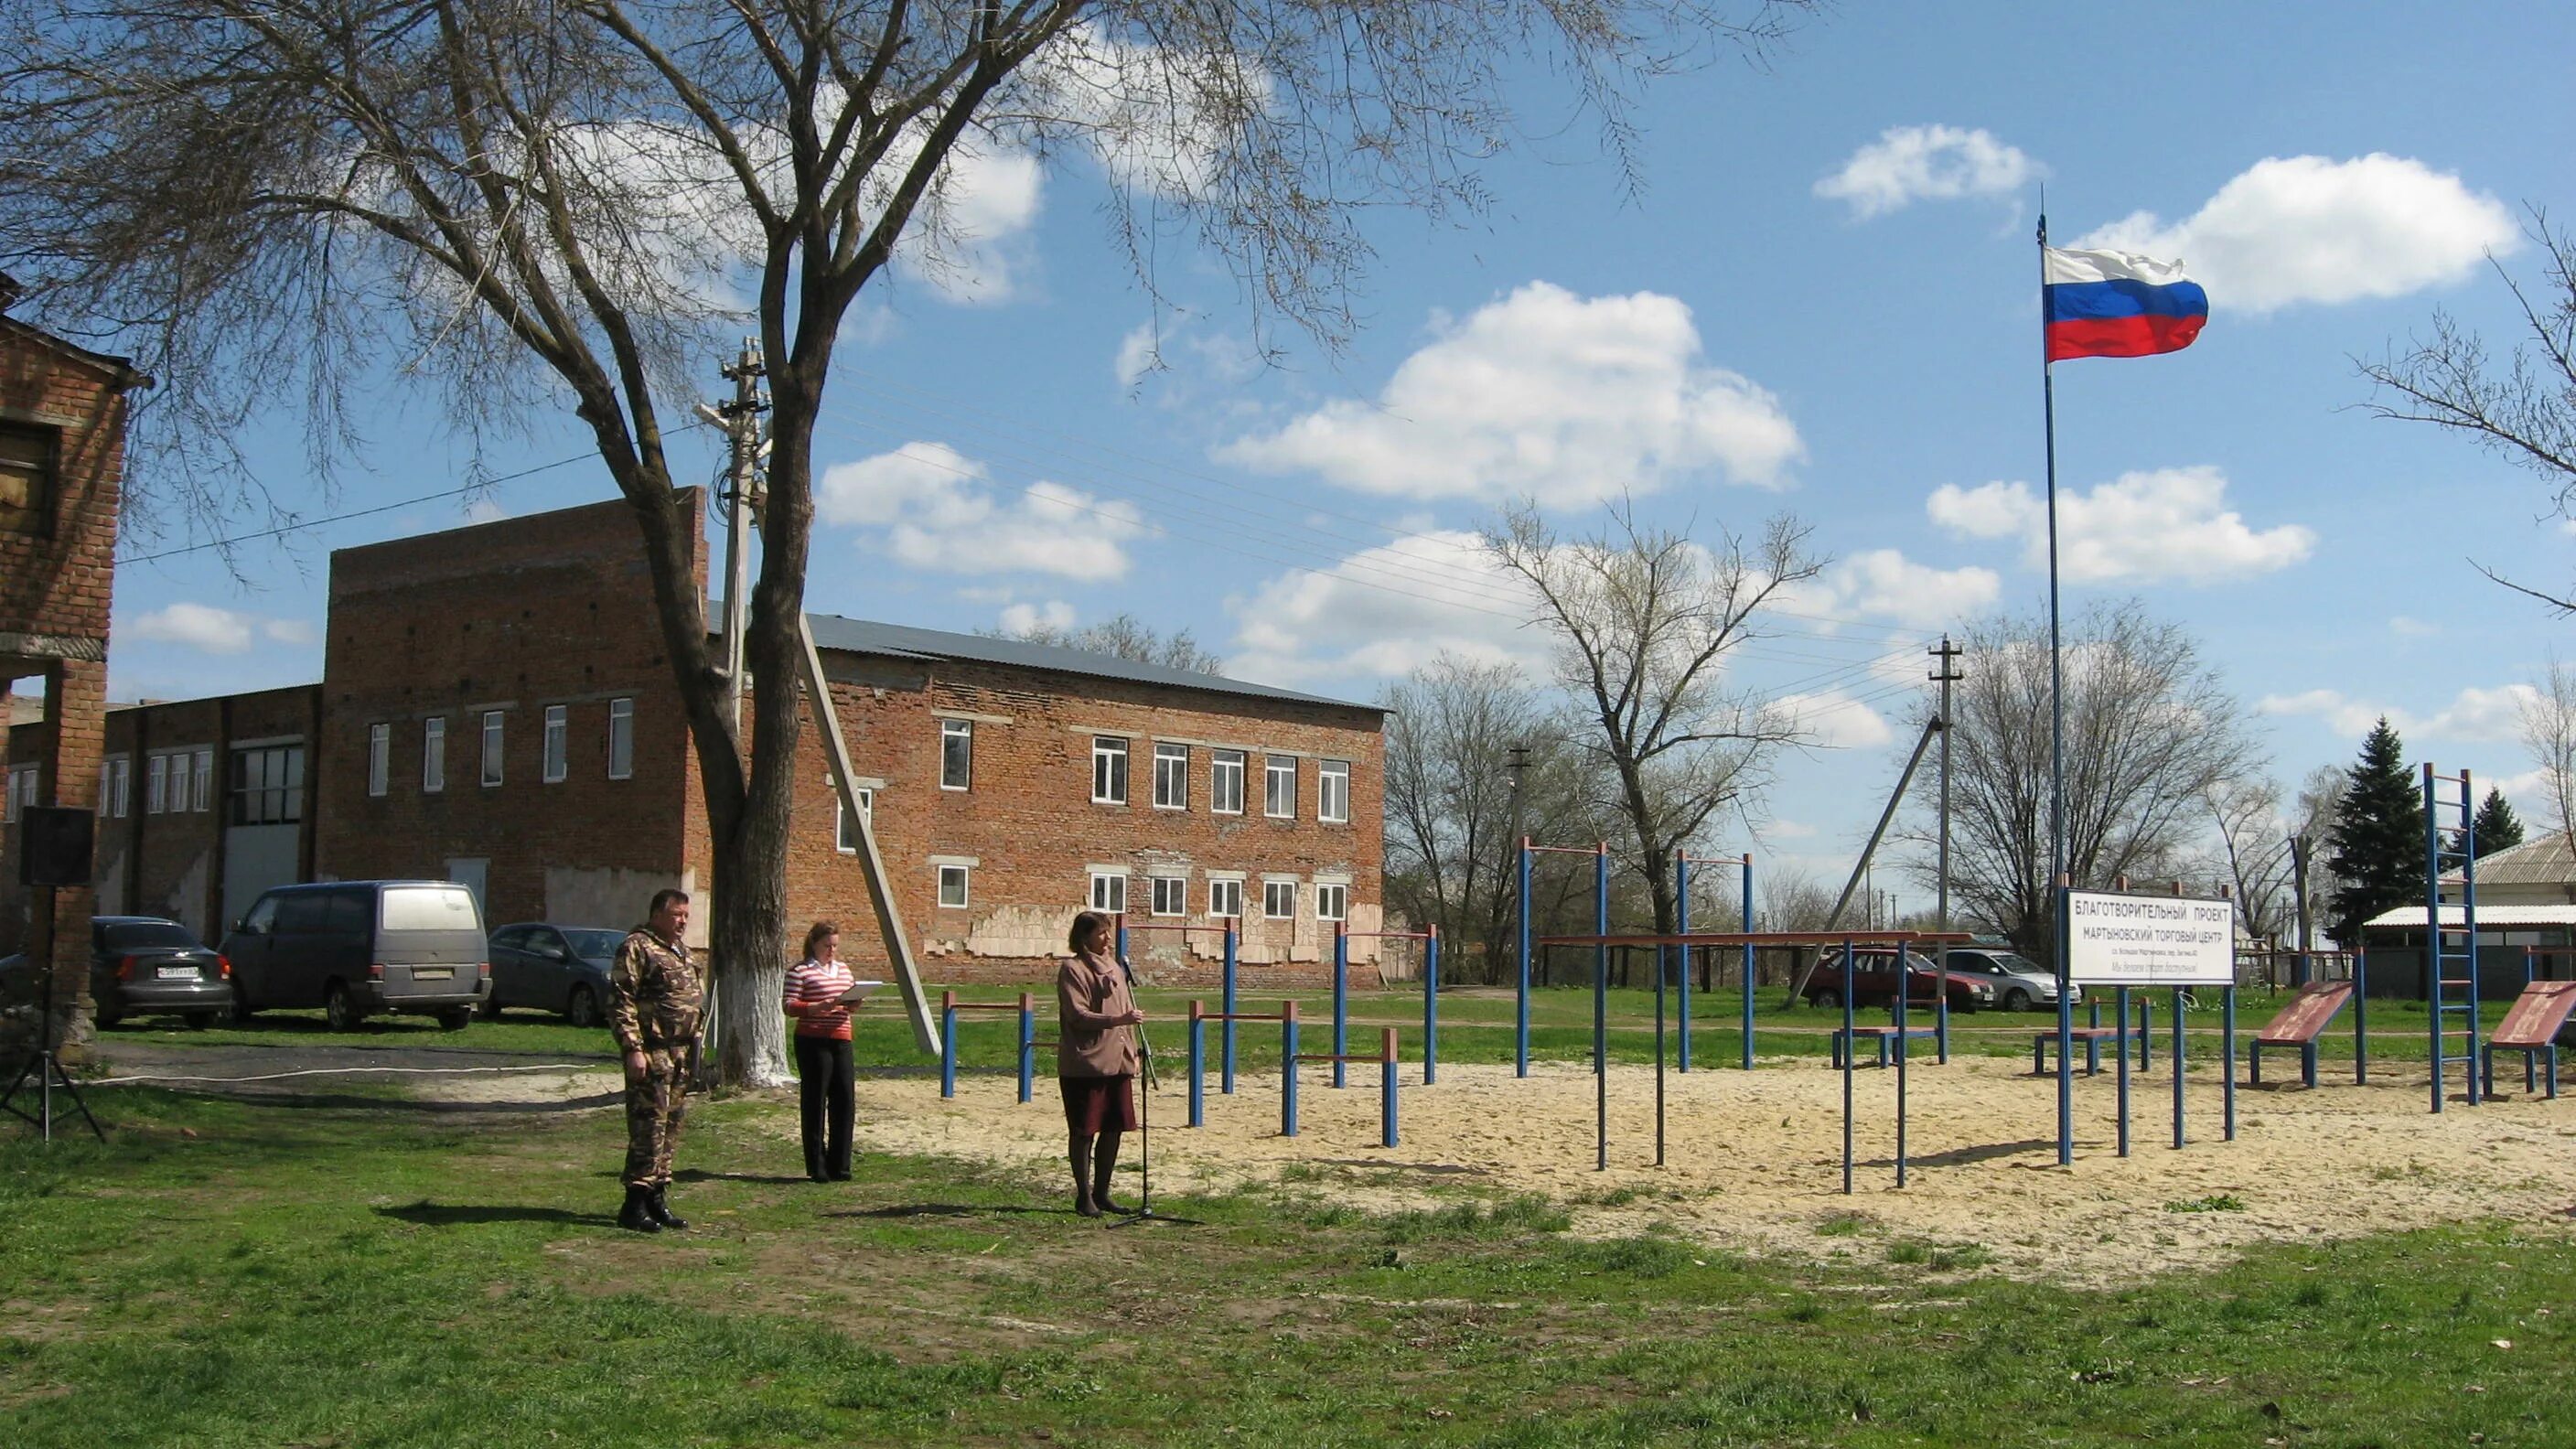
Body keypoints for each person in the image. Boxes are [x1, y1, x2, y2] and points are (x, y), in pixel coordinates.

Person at [607, 888, 702, 1234]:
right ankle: (633, 1203)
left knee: (670, 1129)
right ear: (658, 913)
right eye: (678, 915)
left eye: (686, 916)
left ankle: (657, 1198)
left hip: (680, 1054)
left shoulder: (679, 951)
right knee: (649, 1128)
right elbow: (621, 1000)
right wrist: (633, 1048)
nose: (683, 921)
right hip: (652, 1052)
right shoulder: (637, 946)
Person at [1057, 910, 1143, 1218]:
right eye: (1101, 933)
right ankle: (1083, 1197)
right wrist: (1116, 1019)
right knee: (1084, 1130)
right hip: (1087, 1064)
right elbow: (1077, 1015)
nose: (1108, 939)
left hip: (1118, 1062)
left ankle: (1102, 1193)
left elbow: (1127, 1015)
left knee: (1113, 1127)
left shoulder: (1116, 969)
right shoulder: (1073, 970)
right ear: (1084, 938)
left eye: (1109, 932)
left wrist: (1133, 1049)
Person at [783, 920, 858, 1183]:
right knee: (815, 1100)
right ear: (814, 943)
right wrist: (816, 1007)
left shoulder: (844, 970)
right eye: (827, 945)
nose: (831, 951)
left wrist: (853, 1003)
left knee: (845, 1100)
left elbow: (849, 1002)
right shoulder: (800, 971)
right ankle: (817, 1164)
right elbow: (790, 1006)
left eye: (835, 946)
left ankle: (841, 1163)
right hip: (813, 1040)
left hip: (841, 1037)